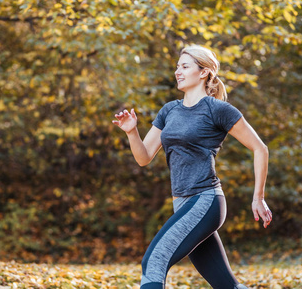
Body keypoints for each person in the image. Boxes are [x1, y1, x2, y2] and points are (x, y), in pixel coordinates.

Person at [112, 45, 272, 289]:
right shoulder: (169, 111)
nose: (178, 71)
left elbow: (260, 149)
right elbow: (144, 157)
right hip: (182, 203)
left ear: (204, 72)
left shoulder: (217, 110)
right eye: (178, 66)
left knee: (153, 262)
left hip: (205, 200)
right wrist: (132, 131)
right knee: (226, 285)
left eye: (185, 66)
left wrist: (258, 197)